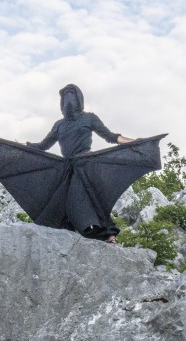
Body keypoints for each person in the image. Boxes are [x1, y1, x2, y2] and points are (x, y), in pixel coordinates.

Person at [27, 84, 136, 242]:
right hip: (68, 167)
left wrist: (134, 142)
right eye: (65, 96)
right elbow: (43, 146)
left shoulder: (89, 118)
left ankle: (108, 233)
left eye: (72, 94)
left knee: (90, 197)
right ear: (61, 102)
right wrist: (24, 146)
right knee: (66, 200)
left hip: (86, 164)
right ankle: (76, 233)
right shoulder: (59, 125)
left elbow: (110, 136)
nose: (69, 99)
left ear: (79, 99)